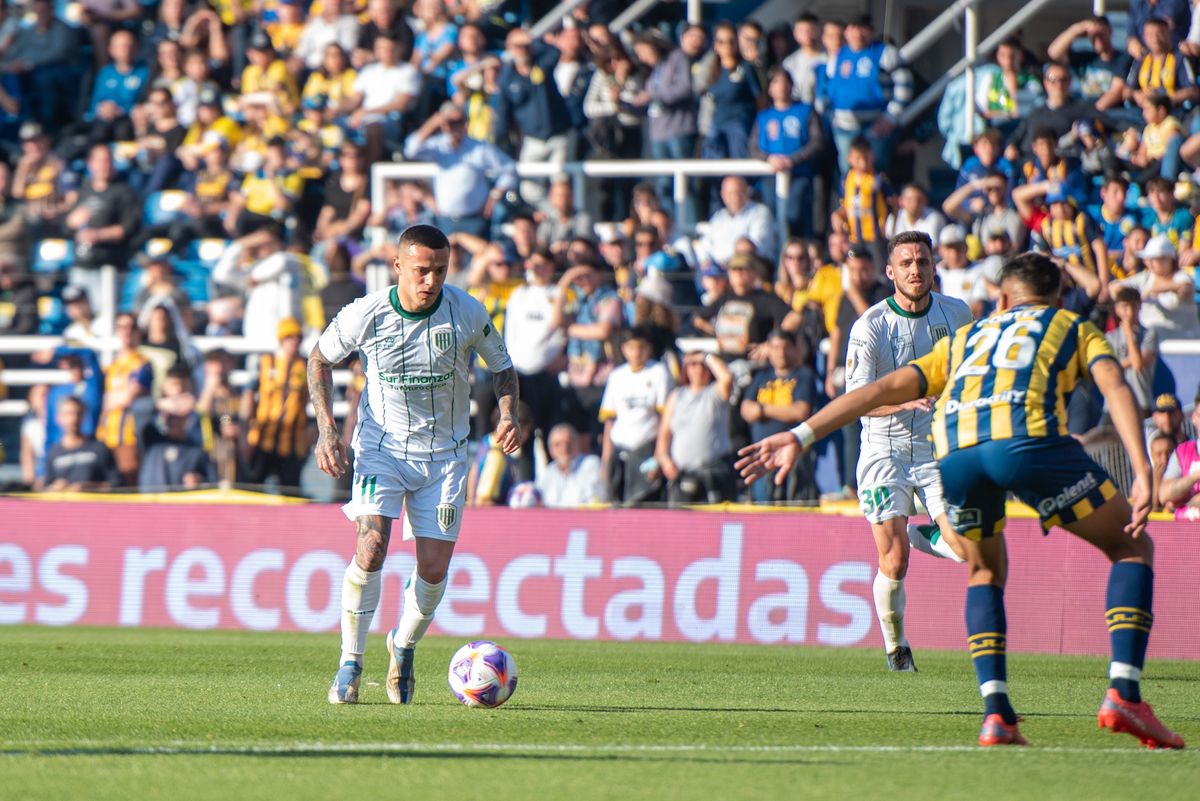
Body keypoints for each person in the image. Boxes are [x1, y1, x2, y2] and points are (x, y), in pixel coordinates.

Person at [738, 251, 1185, 749]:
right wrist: (1142, 469)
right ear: (1058, 297)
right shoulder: (1072, 326)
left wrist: (799, 436)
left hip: (956, 453)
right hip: (1026, 441)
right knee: (1130, 547)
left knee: (983, 570)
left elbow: (878, 389)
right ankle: (1123, 691)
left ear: (1000, 299)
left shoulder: (967, 336)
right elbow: (1114, 384)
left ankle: (997, 714)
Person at [311, 224, 519, 705]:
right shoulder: (368, 313)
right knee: (372, 545)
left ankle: (402, 646)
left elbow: (503, 367)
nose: (431, 280)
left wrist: (507, 413)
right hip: (380, 447)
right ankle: (350, 662)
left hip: (445, 455)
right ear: (398, 266)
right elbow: (318, 360)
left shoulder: (466, 311)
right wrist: (326, 428)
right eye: (422, 270)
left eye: (440, 270)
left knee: (432, 568)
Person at [838, 231, 973, 671]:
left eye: (923, 261)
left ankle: (924, 534)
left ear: (934, 267)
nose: (916, 270)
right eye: (907, 263)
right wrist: (903, 401)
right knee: (893, 562)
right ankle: (897, 649)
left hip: (936, 448)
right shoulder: (871, 326)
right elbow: (854, 400)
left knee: (968, 549)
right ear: (891, 272)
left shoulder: (957, 314)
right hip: (884, 448)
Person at [403, 102, 517, 238]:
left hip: (475, 220)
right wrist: (433, 122)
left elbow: (509, 168)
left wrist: (495, 194)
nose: (455, 126)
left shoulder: (480, 147)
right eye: (451, 122)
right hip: (445, 221)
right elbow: (410, 150)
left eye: (459, 121)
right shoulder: (438, 145)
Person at [740, 329, 819, 503]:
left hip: (793, 457)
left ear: (795, 349)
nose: (781, 352)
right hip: (762, 457)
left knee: (795, 511)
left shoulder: (803, 375)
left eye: (785, 347)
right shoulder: (761, 376)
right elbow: (746, 410)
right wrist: (781, 411)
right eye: (775, 347)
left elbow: (800, 411)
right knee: (762, 513)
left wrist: (762, 410)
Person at [599, 326, 672, 505]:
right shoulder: (617, 376)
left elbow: (665, 419)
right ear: (624, 349)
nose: (636, 352)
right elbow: (610, 421)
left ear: (648, 348)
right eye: (631, 347)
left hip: (645, 446)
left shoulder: (659, 372)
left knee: (643, 503)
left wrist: (659, 455)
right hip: (620, 449)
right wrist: (605, 462)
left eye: (641, 347)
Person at [656, 351, 734, 505]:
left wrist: (706, 357)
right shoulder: (676, 396)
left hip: (714, 472)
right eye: (692, 365)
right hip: (682, 474)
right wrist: (665, 460)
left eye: (702, 366)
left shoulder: (715, 394)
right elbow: (664, 433)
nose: (697, 370)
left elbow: (726, 377)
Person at [242, 317, 310, 491]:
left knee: (291, 490)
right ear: (281, 339)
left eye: (298, 337)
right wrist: (246, 425)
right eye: (290, 336)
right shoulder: (265, 362)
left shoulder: (305, 365)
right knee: (253, 485)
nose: (294, 341)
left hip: (293, 440)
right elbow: (249, 393)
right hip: (262, 437)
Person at [42, 397, 117, 492]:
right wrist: (55, 488)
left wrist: (90, 487)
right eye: (68, 414)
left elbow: (116, 484)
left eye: (78, 413)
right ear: (59, 418)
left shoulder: (99, 448)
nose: (74, 418)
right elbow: (45, 488)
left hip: (94, 504)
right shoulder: (53, 452)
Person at [1106, 287, 1159, 415]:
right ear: (1117, 309)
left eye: (1134, 306)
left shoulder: (1149, 334)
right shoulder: (1110, 337)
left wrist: (1129, 333)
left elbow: (1137, 365)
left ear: (1140, 307)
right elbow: (1108, 369)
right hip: (1113, 403)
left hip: (1140, 402)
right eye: (1125, 307)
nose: (1129, 312)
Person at [536, 422, 603, 508]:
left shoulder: (591, 464)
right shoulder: (548, 472)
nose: (564, 449)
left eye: (568, 443)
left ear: (577, 444)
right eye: (557, 445)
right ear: (551, 450)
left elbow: (590, 499)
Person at [1159, 395, 1200, 514]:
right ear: (1194, 417)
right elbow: (1164, 494)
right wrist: (1195, 477)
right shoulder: (1182, 452)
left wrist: (1184, 501)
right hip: (1187, 529)